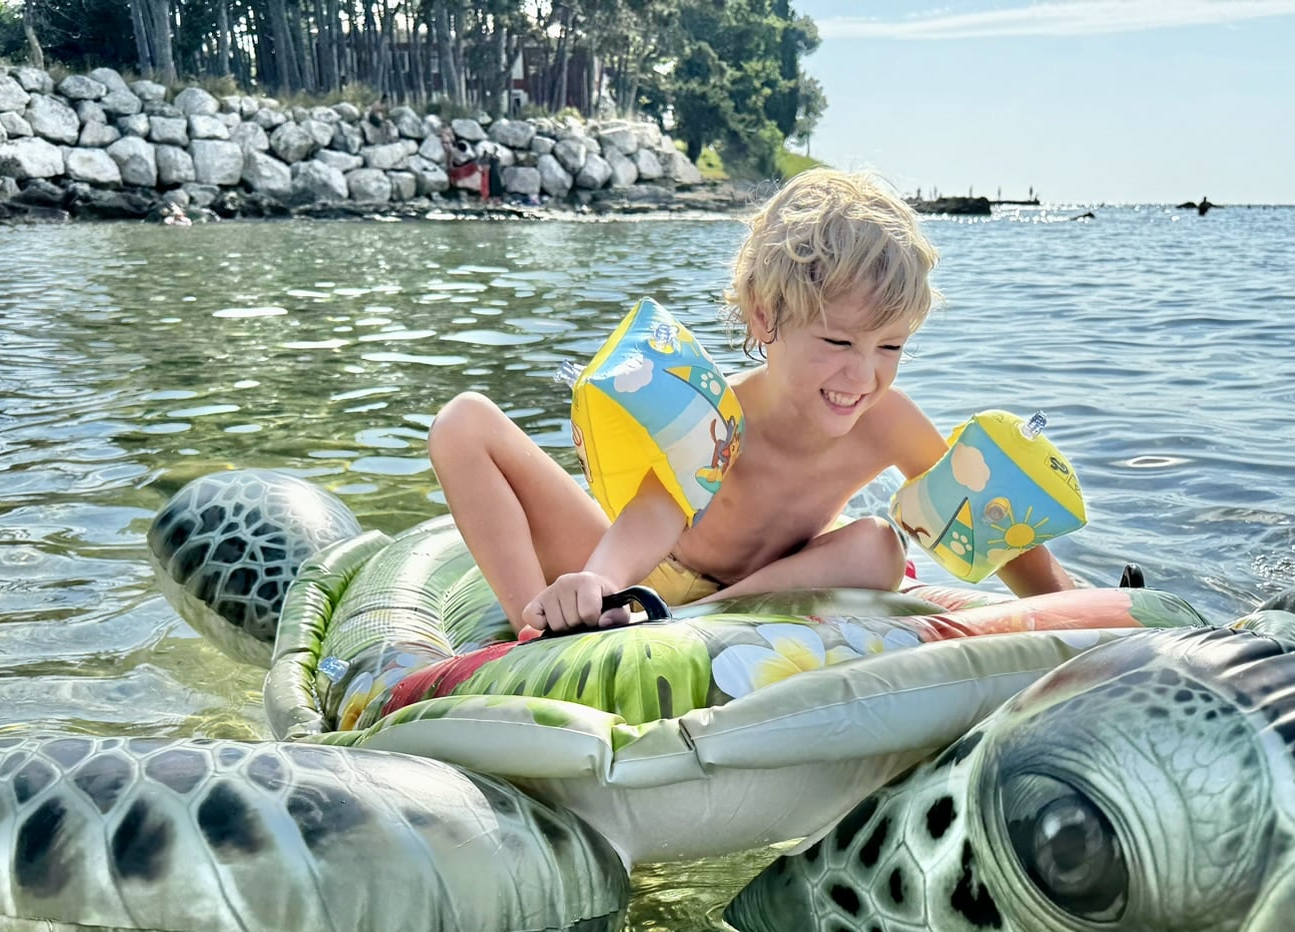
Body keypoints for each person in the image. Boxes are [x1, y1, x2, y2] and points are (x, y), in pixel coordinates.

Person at [429, 169, 1076, 638]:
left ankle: (692, 624)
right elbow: (656, 515)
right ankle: (531, 633)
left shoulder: (888, 422)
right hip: (647, 571)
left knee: (880, 547)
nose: (862, 373)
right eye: (837, 340)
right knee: (463, 421)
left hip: (746, 595)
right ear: (765, 318)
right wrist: (598, 580)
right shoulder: (722, 416)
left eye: (890, 347)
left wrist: (1083, 611)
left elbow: (984, 523)